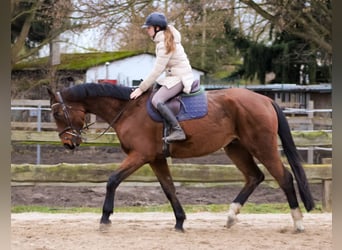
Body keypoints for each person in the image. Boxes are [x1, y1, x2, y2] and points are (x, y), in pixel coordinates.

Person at [130, 12, 195, 142]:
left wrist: (141, 88)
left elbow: (157, 70)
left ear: (157, 28)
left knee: (157, 100)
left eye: (149, 27)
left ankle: (178, 130)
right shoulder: (164, 39)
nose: (147, 30)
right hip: (173, 76)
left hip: (180, 77)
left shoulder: (164, 43)